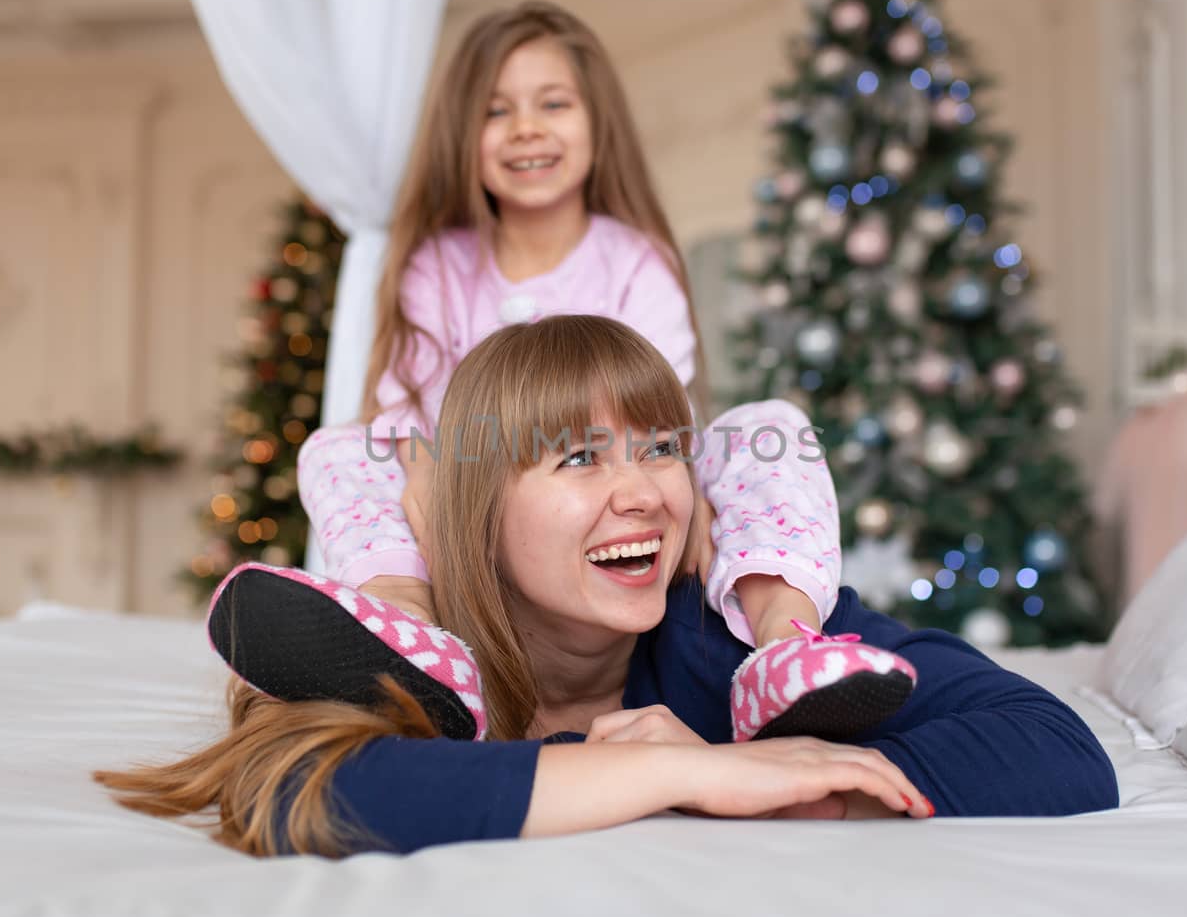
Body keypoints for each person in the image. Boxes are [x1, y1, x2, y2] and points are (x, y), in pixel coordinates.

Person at [98, 317, 1119, 857]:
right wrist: (673, 775)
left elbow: (1055, 748)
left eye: (663, 448)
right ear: (477, 514)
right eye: (579, 459)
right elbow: (299, 790)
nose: (642, 492)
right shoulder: (389, 652)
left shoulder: (727, 628)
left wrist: (788, 797)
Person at [260, 0, 890, 741]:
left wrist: (685, 503)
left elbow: (669, 417)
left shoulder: (633, 258)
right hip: (470, 500)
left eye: (553, 103)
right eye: (498, 111)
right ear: (465, 136)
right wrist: (438, 526)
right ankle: (406, 630)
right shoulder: (438, 264)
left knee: (768, 428)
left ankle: (784, 646)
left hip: (613, 497)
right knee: (339, 447)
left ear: (598, 124)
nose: (527, 127)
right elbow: (407, 425)